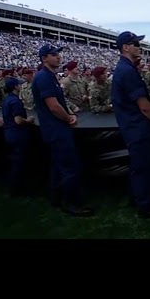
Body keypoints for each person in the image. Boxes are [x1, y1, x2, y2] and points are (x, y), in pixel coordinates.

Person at [111, 32, 150, 218]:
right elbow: (144, 107)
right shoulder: (127, 71)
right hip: (138, 127)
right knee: (145, 166)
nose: (140, 47)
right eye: (135, 44)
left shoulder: (125, 68)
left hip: (132, 126)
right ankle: (146, 205)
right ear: (125, 48)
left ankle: (137, 197)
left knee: (139, 166)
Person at [31, 44, 93, 216]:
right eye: (53, 54)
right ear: (44, 59)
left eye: (58, 54)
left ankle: (56, 197)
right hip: (57, 129)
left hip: (55, 128)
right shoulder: (44, 77)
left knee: (59, 166)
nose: (58, 57)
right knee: (69, 168)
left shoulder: (49, 76)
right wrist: (69, 118)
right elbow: (53, 106)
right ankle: (71, 203)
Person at [1, 76, 35, 196]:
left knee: (14, 161)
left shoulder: (7, 99)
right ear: (15, 87)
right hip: (17, 133)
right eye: (19, 85)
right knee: (19, 163)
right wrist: (29, 120)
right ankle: (17, 189)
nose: (21, 86)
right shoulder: (15, 101)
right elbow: (18, 120)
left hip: (8, 132)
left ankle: (14, 186)